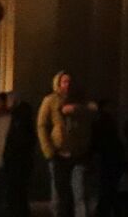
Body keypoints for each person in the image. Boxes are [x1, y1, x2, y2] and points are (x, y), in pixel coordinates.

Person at [38, 72, 98, 217]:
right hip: (58, 154)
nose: (67, 85)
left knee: (81, 193)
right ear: (58, 84)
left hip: (79, 153)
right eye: (64, 82)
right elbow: (42, 125)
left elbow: (94, 109)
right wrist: (49, 151)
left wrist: (76, 109)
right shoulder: (50, 100)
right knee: (59, 195)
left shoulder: (81, 102)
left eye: (70, 82)